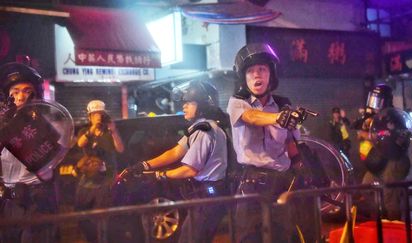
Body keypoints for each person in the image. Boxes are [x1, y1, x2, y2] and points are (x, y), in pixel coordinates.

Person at [227, 43, 314, 243]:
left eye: (262, 69)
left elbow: (291, 143)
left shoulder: (283, 104)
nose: (257, 75)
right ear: (243, 78)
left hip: (282, 183)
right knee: (248, 238)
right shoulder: (237, 102)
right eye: (250, 71)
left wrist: (302, 165)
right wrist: (278, 118)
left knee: (283, 237)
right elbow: (252, 117)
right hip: (251, 185)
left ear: (270, 75)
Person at [125, 80, 228, 243]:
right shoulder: (199, 128)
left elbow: (190, 170)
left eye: (189, 103)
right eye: (184, 103)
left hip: (207, 199)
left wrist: (158, 175)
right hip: (204, 198)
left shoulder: (204, 132)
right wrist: (144, 165)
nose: (184, 107)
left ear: (203, 105)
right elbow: (175, 152)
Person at [0, 62, 59, 243]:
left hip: (36, 200)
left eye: (26, 91)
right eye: (15, 91)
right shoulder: (3, 122)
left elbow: (49, 164)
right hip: (7, 200)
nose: (20, 96)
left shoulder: (45, 124)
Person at [355, 84, 411, 220]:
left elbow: (386, 136)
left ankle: (396, 229)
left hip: (394, 161)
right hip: (380, 160)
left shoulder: (394, 117)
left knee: (389, 196)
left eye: (378, 101)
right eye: (373, 100)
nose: (374, 104)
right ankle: (381, 221)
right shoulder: (376, 117)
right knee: (366, 187)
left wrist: (366, 134)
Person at [74, 100, 124, 243]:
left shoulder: (110, 132)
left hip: (107, 180)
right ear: (89, 117)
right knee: (80, 214)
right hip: (88, 179)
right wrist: (92, 129)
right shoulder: (85, 132)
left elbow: (120, 149)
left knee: (102, 218)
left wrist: (113, 131)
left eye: (101, 114)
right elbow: (80, 143)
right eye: (95, 114)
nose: (98, 117)